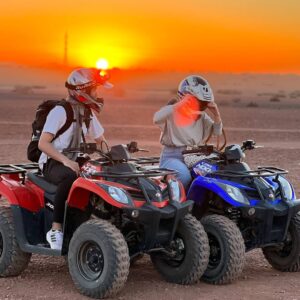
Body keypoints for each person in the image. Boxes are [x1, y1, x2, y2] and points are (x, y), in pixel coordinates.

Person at [38, 67, 112, 250]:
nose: (97, 93)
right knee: (71, 177)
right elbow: (43, 143)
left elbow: (101, 141)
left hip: (76, 159)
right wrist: (65, 161)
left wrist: (115, 158)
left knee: (104, 174)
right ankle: (56, 228)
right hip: (53, 161)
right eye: (94, 89)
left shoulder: (87, 112)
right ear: (82, 91)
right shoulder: (60, 111)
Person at [153, 75, 223, 190]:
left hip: (194, 156)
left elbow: (217, 132)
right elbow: (156, 118)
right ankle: (179, 205)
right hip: (172, 157)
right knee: (184, 176)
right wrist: (182, 103)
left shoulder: (202, 117)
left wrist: (216, 113)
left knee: (213, 174)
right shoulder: (172, 112)